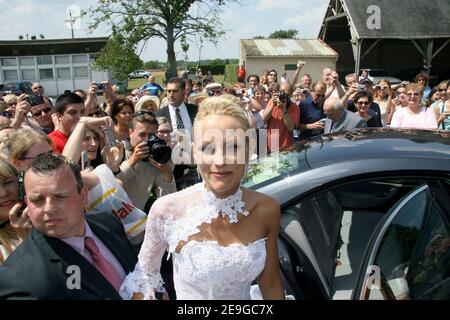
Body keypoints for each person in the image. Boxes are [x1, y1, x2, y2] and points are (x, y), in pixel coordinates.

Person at [119, 96, 284, 300]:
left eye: (233, 147)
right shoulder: (167, 209)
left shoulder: (267, 209)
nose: (220, 161)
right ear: (195, 151)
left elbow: (271, 284)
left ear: (249, 149)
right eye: (208, 148)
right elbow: (144, 277)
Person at [0, 154, 138, 299]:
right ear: (27, 202)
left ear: (83, 196)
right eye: (38, 199)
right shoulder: (19, 280)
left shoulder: (109, 223)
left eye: (60, 196)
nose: (48, 208)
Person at [115, 113, 177, 212]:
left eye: (152, 135)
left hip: (135, 221)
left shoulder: (156, 157)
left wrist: (167, 173)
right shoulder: (116, 150)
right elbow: (110, 186)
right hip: (110, 216)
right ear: (130, 132)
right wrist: (132, 160)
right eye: (142, 135)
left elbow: (167, 200)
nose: (147, 140)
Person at [263, 83, 299, 152]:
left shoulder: (294, 107)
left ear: (291, 94)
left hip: (286, 148)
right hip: (271, 147)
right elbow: (264, 119)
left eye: (287, 94)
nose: (285, 97)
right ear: (278, 92)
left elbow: (290, 127)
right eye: (283, 93)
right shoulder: (272, 101)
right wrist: (273, 105)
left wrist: (283, 110)